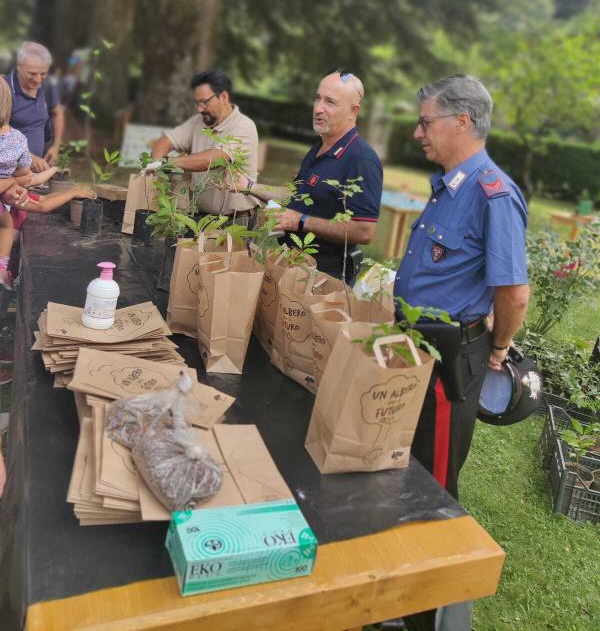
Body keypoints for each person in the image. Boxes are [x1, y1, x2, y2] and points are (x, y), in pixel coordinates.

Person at [378, 75, 529, 631]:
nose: (419, 132)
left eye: (426, 121)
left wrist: (500, 347)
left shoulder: (493, 194)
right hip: (414, 349)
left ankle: (420, 616)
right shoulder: (450, 185)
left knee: (433, 489)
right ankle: (393, 590)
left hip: (449, 360)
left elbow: (513, 292)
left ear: (461, 123)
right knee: (401, 472)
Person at [231, 69, 383, 283]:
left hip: (324, 279)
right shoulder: (318, 148)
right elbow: (295, 194)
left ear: (353, 111)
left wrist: (302, 221)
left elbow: (364, 231)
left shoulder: (361, 160)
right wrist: (248, 185)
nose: (318, 108)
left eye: (330, 102)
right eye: (317, 98)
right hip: (292, 267)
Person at [150, 70, 259, 225]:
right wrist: (155, 170)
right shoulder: (197, 123)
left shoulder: (244, 126)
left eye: (204, 102)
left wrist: (167, 163)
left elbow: (215, 158)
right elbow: (165, 142)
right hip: (199, 217)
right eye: (197, 103)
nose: (199, 109)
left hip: (236, 220)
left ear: (224, 97)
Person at [7, 41, 65, 172]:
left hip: (36, 170)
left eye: (43, 73)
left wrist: (55, 146)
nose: (38, 79)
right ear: (19, 67)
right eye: (32, 74)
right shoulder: (4, 89)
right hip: (8, 172)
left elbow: (57, 112)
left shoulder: (47, 86)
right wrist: (25, 156)